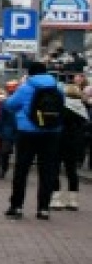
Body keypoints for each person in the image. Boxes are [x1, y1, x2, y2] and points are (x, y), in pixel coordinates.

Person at [1, 61, 64, 220]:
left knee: (22, 170)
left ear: (30, 73)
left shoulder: (25, 87)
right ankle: (43, 208)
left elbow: (10, 105)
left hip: (27, 132)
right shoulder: (58, 87)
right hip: (51, 132)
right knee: (47, 171)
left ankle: (17, 206)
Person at [50, 83, 88, 211]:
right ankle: (73, 200)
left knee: (54, 169)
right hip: (75, 144)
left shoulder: (62, 107)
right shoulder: (82, 109)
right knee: (71, 171)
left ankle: (56, 199)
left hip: (59, 141)